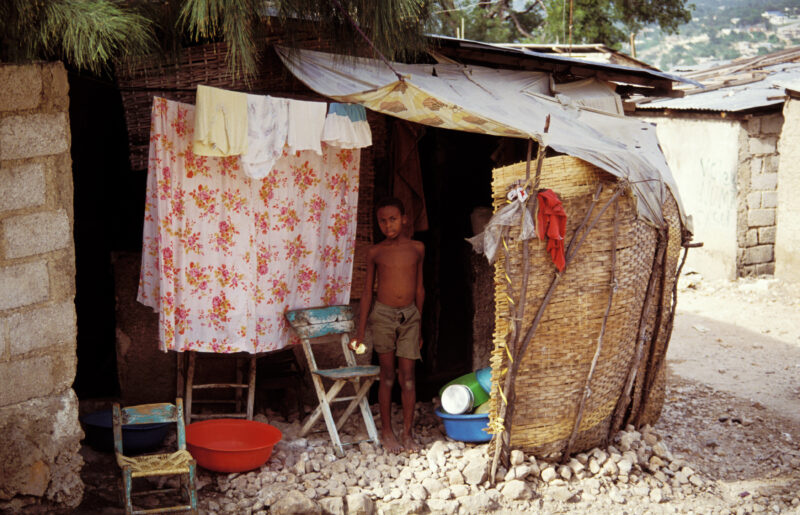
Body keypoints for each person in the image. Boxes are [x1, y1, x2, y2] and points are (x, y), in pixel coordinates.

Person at [353, 197, 425, 453]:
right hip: (382, 315)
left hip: (410, 317)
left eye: (392, 219)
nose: (387, 225)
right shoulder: (375, 251)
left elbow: (419, 289)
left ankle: (407, 434)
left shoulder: (417, 248)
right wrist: (360, 332)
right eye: (382, 221)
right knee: (386, 376)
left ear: (404, 219)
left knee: (408, 377)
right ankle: (387, 433)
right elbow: (366, 293)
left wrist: (420, 326)